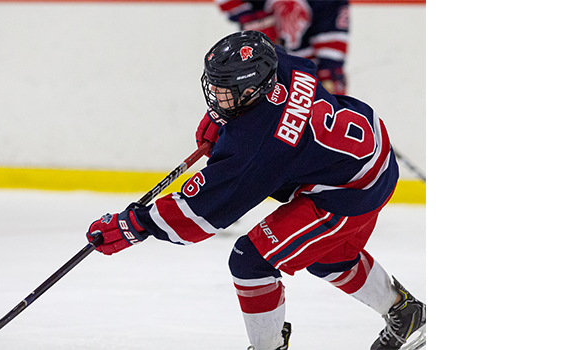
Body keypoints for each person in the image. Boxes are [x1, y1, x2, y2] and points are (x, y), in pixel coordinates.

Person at [86, 31, 425, 350]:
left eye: (226, 91)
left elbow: (199, 213)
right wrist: (223, 120)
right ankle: (406, 314)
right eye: (216, 88)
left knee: (251, 261)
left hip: (349, 188)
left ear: (252, 90)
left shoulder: (258, 146)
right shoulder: (278, 65)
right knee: (327, 255)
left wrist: (135, 224)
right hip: (369, 151)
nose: (217, 97)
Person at [214, 0, 349, 95]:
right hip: (259, 63)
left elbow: (332, 25)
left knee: (330, 85)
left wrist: (329, 71)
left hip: (308, 68)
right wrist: (250, 18)